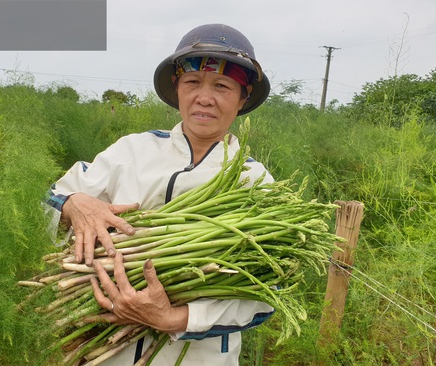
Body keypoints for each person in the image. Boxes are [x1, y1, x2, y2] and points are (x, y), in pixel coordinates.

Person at [45, 23, 273, 365]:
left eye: (222, 86)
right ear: (176, 87)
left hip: (200, 357)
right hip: (105, 349)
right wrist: (74, 205)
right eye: (193, 82)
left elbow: (265, 296)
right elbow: (52, 199)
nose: (204, 98)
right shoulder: (132, 150)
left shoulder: (255, 181)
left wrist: (172, 318)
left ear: (243, 99)